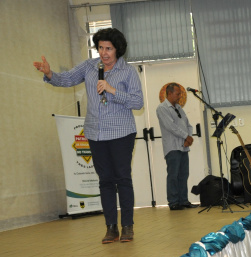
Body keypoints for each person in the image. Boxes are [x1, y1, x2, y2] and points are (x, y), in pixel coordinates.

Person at [34, 28, 143, 244]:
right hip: (95, 132)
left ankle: (127, 227)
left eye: (108, 49)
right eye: (100, 47)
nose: (103, 53)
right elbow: (66, 79)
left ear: (117, 50)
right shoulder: (90, 66)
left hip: (121, 132)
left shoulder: (128, 72)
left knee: (122, 178)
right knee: (105, 180)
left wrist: (112, 90)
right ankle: (111, 228)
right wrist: (49, 73)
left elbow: (138, 102)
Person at [156, 83, 197, 211]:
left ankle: (183, 201)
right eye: (177, 93)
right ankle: (173, 202)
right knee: (173, 175)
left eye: (180, 94)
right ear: (169, 93)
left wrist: (188, 138)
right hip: (172, 147)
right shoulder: (162, 108)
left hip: (183, 146)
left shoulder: (179, 107)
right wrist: (186, 136)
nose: (180, 96)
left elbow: (188, 125)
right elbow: (171, 126)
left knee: (184, 174)